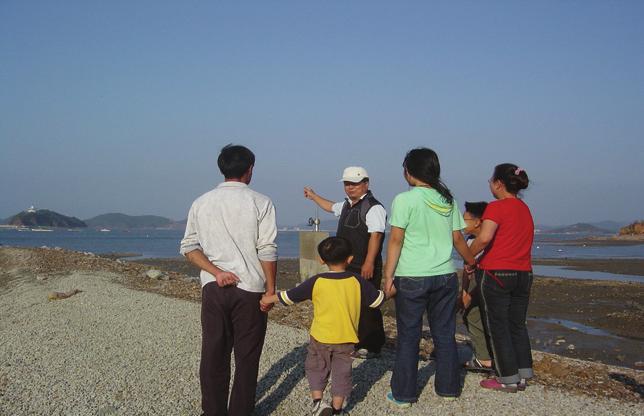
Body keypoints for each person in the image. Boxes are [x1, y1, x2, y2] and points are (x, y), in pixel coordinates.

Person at [179, 144, 277, 416]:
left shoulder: (202, 202)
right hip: (250, 288)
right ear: (250, 169)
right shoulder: (261, 201)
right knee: (247, 357)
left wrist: (216, 272)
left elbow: (189, 247)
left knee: (213, 353)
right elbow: (267, 249)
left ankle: (212, 411)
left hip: (214, 287)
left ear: (222, 168)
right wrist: (271, 289)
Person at [383, 148, 476, 408]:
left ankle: (403, 394)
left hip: (412, 275)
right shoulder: (448, 200)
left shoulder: (404, 200)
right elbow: (458, 238)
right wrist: (471, 262)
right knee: (445, 334)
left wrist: (388, 276)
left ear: (409, 172)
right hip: (445, 276)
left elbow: (396, 239)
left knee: (409, 335)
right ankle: (448, 388)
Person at [261, 237, 386, 416]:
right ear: (350, 259)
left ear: (321, 260)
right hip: (346, 338)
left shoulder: (317, 281)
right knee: (342, 374)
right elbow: (377, 301)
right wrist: (393, 289)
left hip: (320, 337)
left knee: (316, 368)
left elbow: (290, 296)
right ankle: (336, 410)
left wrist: (268, 298)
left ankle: (318, 403)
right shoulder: (356, 281)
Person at [303, 166, 387, 359]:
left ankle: (372, 345)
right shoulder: (347, 205)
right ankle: (356, 340)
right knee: (351, 303)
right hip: (346, 265)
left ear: (366, 183)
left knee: (369, 304)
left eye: (355, 184)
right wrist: (314, 196)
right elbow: (330, 206)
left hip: (364, 264)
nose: (350, 187)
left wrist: (369, 262)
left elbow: (376, 236)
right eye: (347, 184)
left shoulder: (374, 208)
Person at [469, 163, 534, 393]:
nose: (489, 183)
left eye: (490, 179)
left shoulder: (496, 207)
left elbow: (484, 238)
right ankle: (523, 373)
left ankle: (507, 377)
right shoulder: (524, 208)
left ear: (499, 183)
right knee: (517, 324)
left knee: (499, 326)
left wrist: (470, 256)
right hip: (523, 273)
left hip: (497, 273)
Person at [459, 201, 493, 372]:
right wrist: (464, 292)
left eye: (465, 219)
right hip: (480, 284)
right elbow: (466, 268)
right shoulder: (470, 240)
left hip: (491, 285)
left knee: (477, 315)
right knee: (470, 313)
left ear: (478, 221)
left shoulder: (488, 240)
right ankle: (485, 356)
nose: (461, 222)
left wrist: (468, 295)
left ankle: (487, 358)